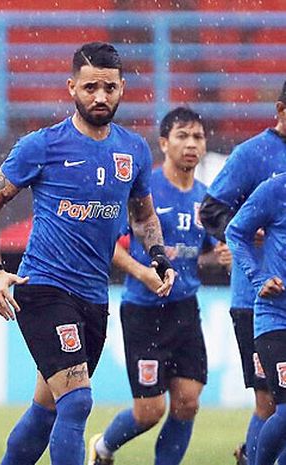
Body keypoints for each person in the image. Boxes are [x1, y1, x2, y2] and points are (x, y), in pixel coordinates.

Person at [0, 42, 175, 465]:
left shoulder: (134, 150)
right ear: (71, 88)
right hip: (43, 289)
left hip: (93, 297)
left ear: (122, 88)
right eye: (90, 87)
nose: (99, 96)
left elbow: (142, 216)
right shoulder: (42, 146)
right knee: (78, 401)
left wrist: (158, 255)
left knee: (47, 408)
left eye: (109, 87)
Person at [88, 107, 231, 465]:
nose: (191, 144)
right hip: (143, 311)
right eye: (182, 136)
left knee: (187, 402)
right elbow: (106, 246)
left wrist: (223, 254)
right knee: (150, 410)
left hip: (185, 310)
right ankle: (103, 447)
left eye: (198, 137)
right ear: (164, 143)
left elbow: (212, 248)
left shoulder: (207, 198)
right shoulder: (144, 191)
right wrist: (142, 272)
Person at [200, 80, 286, 465]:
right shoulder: (252, 155)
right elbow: (211, 211)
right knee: (269, 401)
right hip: (256, 299)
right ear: (281, 111)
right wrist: (251, 228)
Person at [226, 173, 286, 465]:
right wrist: (258, 276)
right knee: (283, 410)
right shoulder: (275, 189)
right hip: (276, 319)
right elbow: (235, 231)